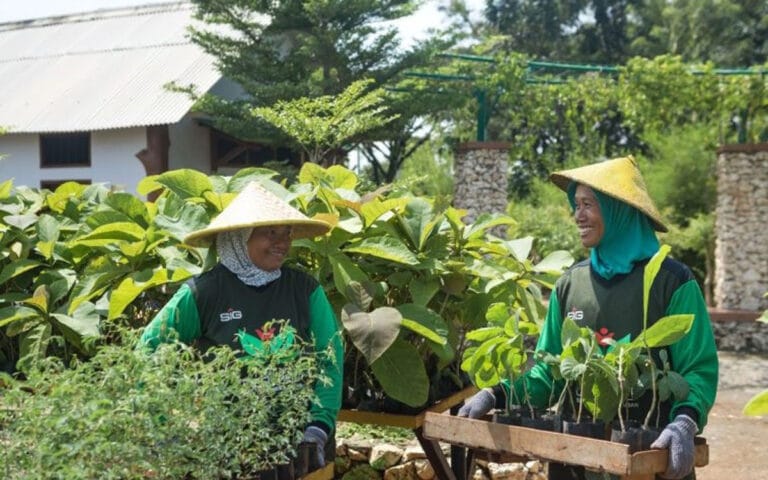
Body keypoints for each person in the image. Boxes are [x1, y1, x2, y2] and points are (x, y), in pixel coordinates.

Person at [458, 156, 718, 480]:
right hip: (574, 463)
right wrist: (497, 393)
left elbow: (698, 369)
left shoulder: (672, 281)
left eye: (588, 204)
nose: (578, 215)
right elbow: (549, 373)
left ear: (618, 210)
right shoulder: (570, 284)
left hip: (650, 458)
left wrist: (685, 422)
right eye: (576, 204)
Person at [139, 181, 343, 470]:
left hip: (301, 444)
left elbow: (329, 358)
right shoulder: (205, 293)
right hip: (228, 444)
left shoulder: (305, 290)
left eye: (287, 233)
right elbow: (150, 350)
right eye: (270, 232)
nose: (282, 243)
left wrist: (318, 427)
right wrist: (162, 426)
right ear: (238, 237)